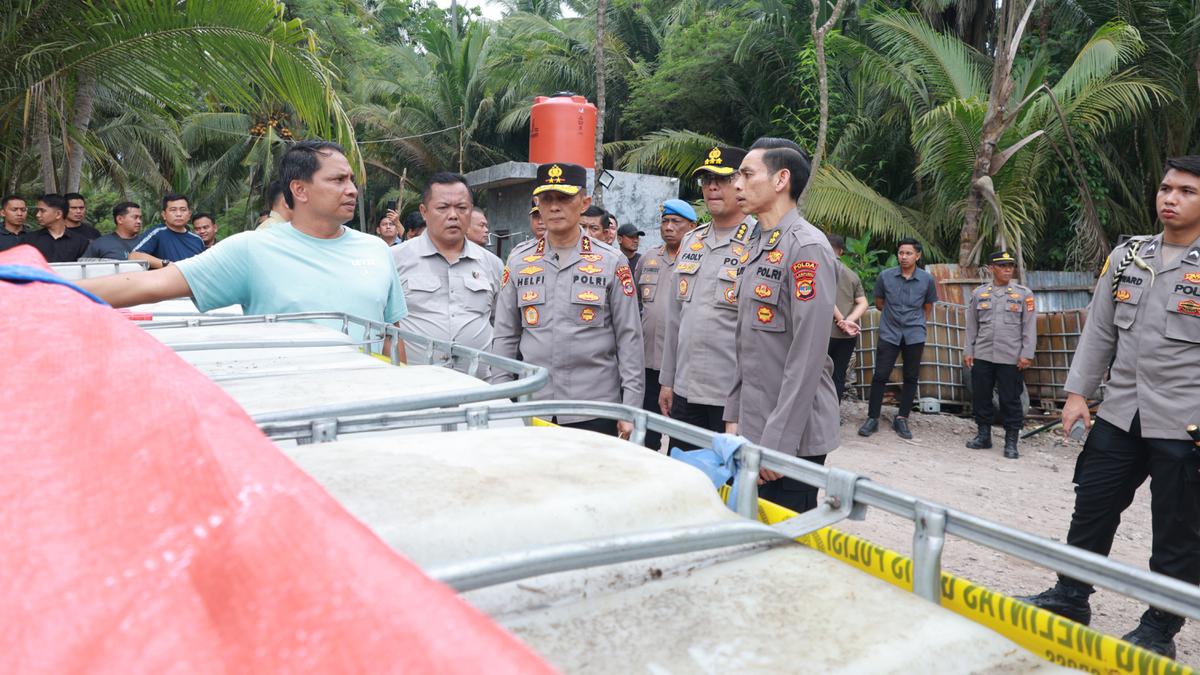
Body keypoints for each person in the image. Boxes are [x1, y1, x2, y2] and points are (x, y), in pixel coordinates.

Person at [1017, 156, 1200, 658]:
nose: (1170, 198)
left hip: (1185, 423)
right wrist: (1078, 394)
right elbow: (1099, 330)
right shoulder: (1130, 257)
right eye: (1166, 188)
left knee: (1177, 530)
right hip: (1121, 413)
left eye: (1186, 191)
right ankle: (1071, 595)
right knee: (1093, 506)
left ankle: (1160, 627)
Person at [79, 140, 408, 355]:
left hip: (370, 413)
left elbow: (393, 336)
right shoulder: (253, 249)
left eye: (351, 179)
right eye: (338, 180)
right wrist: (44, 287)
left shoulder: (376, 250)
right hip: (295, 411)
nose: (351, 190)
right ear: (300, 190)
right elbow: (150, 284)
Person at [723, 138, 839, 514]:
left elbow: (806, 356)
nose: (736, 184)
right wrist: (733, 418)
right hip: (754, 425)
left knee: (785, 549)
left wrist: (778, 443)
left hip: (793, 437)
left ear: (780, 180)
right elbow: (747, 343)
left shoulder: (807, 248)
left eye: (747, 174)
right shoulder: (757, 243)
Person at [490, 162, 643, 438]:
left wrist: (630, 407)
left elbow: (629, 338)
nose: (554, 206)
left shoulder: (611, 262)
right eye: (546, 198)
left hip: (593, 408)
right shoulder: (519, 260)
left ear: (584, 203)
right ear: (537, 202)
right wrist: (502, 394)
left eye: (564, 197)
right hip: (533, 404)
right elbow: (505, 335)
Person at [660, 146, 757, 447]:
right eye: (706, 180)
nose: (712, 186)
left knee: (730, 487)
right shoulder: (691, 241)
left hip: (731, 396)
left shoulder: (760, 242)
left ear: (740, 182)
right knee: (684, 477)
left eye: (722, 179)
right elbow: (675, 318)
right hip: (685, 390)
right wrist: (667, 380)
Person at [392, 173, 503, 366]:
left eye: (461, 208)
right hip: (415, 386)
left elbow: (502, 325)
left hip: (479, 385)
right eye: (443, 207)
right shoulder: (395, 259)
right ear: (424, 212)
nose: (453, 215)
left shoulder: (492, 263)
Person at [857, 238, 939, 440]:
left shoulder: (927, 280)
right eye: (901, 253)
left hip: (914, 334)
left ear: (917, 256)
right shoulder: (886, 277)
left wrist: (915, 322)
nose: (903, 257)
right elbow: (879, 303)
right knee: (880, 375)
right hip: (889, 332)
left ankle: (902, 418)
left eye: (908, 253)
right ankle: (872, 418)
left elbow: (928, 307)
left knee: (911, 376)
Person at [634, 199, 696, 450]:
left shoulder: (696, 259)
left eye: (676, 222)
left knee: (679, 433)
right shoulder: (648, 258)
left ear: (692, 227)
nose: (669, 227)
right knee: (646, 429)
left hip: (680, 365)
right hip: (648, 362)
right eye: (665, 221)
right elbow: (634, 304)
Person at [962, 250, 1036, 458]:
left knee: (1010, 399)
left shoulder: (1023, 294)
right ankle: (983, 435)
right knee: (982, 397)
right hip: (983, 354)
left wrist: (1027, 354)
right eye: (1002, 266)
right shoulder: (980, 294)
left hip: (1011, 357)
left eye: (1010, 266)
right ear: (991, 268)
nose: (1007, 270)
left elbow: (1029, 327)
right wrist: (969, 350)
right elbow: (971, 326)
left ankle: (1011, 442)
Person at [826, 234, 868, 402]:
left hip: (823, 333)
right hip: (846, 336)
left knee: (816, 374)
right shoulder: (852, 275)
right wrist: (848, 321)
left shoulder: (819, 270)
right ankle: (833, 414)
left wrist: (840, 320)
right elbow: (863, 303)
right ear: (841, 251)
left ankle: (815, 416)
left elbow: (825, 296)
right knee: (838, 375)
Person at [129, 194, 204, 269]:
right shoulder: (157, 233)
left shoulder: (197, 240)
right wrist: (167, 264)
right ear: (164, 215)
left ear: (189, 214)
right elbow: (134, 256)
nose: (178, 214)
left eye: (183, 210)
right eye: (173, 210)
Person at [21, 194, 90, 263]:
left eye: (42, 211)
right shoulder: (29, 240)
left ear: (58, 214)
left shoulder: (81, 242)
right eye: (38, 211)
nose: (38, 215)